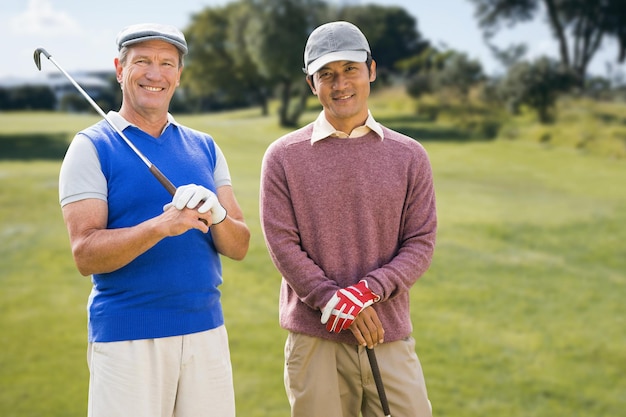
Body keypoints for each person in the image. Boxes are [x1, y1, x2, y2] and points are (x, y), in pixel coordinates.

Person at [58, 23, 250, 417]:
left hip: (205, 332)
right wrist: (161, 227)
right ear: (119, 68)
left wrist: (217, 214)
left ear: (178, 75)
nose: (154, 74)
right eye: (142, 61)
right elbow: (85, 254)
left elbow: (240, 245)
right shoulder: (91, 147)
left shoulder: (204, 146)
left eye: (167, 63)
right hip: (128, 337)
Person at [260, 21, 437, 417]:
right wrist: (332, 300)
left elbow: (420, 242)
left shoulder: (410, 156)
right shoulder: (283, 156)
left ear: (371, 70)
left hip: (386, 332)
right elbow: (282, 243)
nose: (340, 84)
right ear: (311, 83)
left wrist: (366, 292)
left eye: (349, 69)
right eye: (327, 74)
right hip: (315, 340)